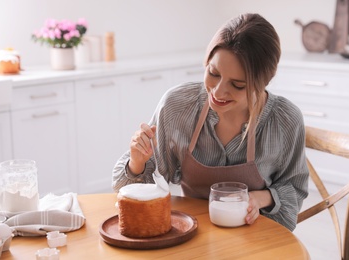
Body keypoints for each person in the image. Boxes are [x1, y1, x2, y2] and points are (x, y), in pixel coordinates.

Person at [112, 13, 309, 231]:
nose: (218, 91)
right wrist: (137, 162)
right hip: (194, 233)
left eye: (238, 85)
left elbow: (294, 189)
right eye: (213, 73)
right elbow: (134, 197)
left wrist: (261, 198)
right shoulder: (178, 106)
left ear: (263, 82)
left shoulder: (285, 120)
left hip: (256, 237)